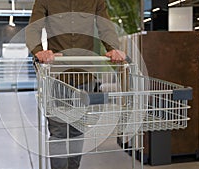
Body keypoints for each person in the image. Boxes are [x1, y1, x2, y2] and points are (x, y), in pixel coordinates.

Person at [26, 0, 126, 169]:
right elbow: (34, 26)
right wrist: (38, 50)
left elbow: (105, 26)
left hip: (84, 75)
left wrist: (113, 48)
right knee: (58, 132)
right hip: (57, 77)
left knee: (77, 130)